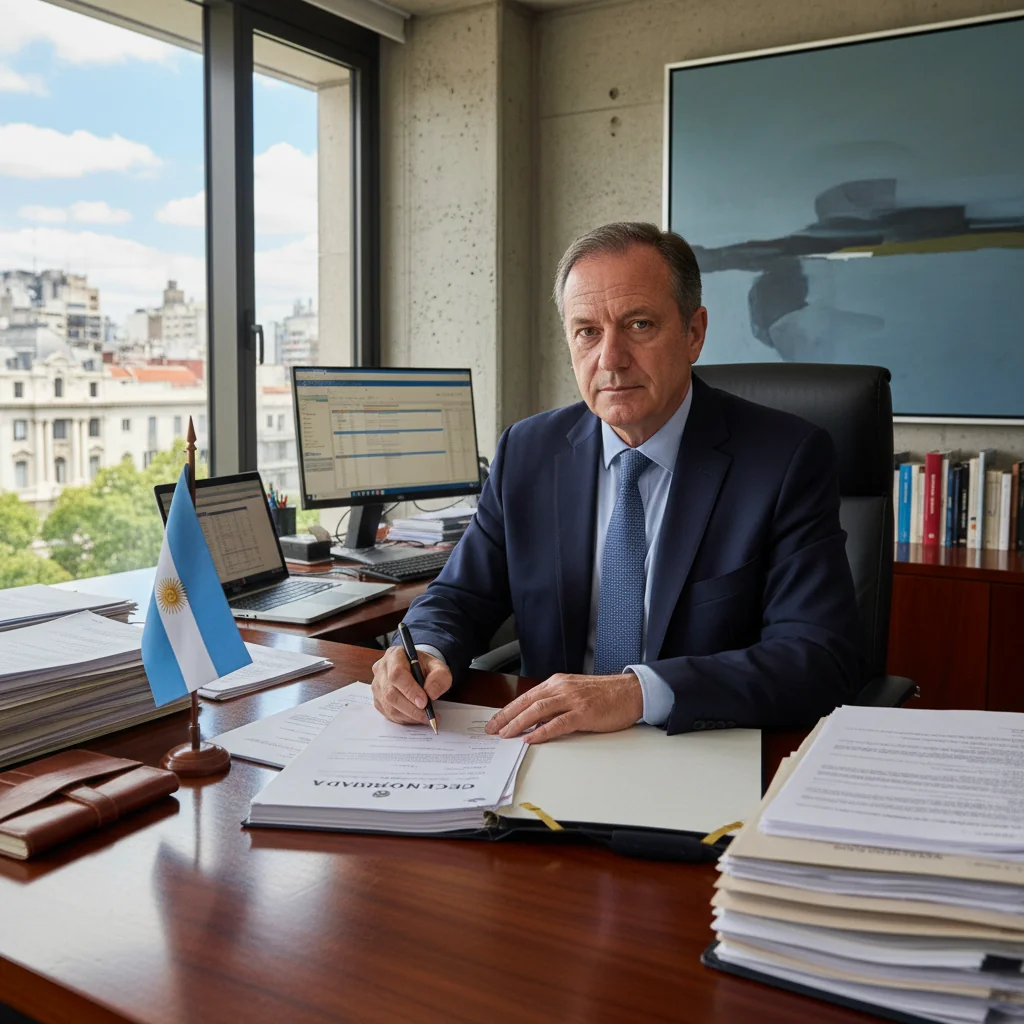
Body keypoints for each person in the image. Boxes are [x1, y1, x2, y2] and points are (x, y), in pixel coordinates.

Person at [371, 222, 865, 743]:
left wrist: (635, 693)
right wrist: (423, 651)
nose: (610, 359)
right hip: (545, 749)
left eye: (639, 324)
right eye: (587, 331)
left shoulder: (784, 458)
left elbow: (818, 656)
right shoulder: (529, 451)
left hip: (698, 747)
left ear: (693, 333)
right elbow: (460, 595)